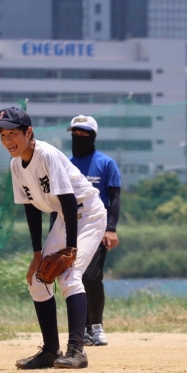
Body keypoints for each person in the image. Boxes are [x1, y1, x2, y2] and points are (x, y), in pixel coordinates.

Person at [0, 106, 107, 370]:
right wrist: (37, 255)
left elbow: (69, 201)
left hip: (88, 214)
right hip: (67, 217)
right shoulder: (16, 165)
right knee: (37, 278)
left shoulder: (46, 155)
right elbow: (31, 208)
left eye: (12, 133)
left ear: (28, 132)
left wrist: (71, 250)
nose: (7, 140)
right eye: (2, 135)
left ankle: (77, 351)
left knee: (69, 275)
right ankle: (51, 351)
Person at [67, 115, 121, 347]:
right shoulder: (66, 164)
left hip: (97, 228)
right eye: (75, 134)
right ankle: (82, 329)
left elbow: (115, 199)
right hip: (70, 228)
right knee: (73, 278)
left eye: (83, 134)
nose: (78, 137)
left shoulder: (106, 163)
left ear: (93, 137)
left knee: (91, 276)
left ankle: (96, 326)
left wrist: (111, 229)